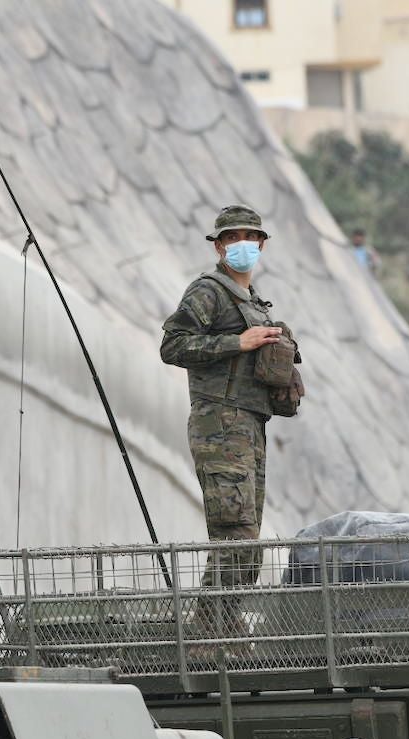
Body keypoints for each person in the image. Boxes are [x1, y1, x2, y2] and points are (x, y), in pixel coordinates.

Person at [160, 205, 299, 634]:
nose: (243, 245)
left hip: (249, 425)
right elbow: (173, 346)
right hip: (219, 423)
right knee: (234, 535)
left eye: (250, 237)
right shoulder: (209, 292)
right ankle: (209, 626)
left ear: (262, 244)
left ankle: (220, 621)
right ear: (219, 246)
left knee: (245, 540)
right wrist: (238, 342)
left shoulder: (255, 302)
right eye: (232, 237)